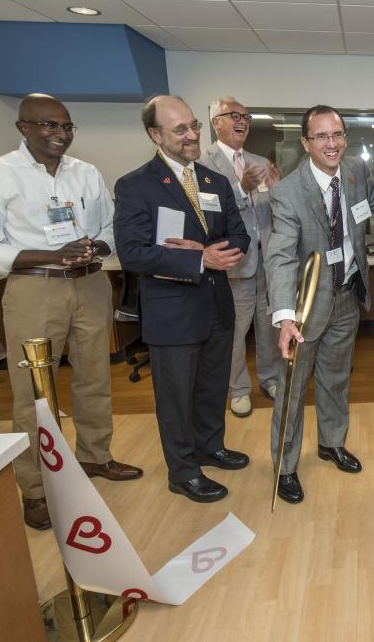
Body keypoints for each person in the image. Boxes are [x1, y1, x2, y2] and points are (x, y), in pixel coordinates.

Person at [0, 93, 142, 530]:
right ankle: (37, 489)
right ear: (23, 127)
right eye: (48, 125)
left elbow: (109, 229)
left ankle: (95, 457)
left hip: (90, 284)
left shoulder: (86, 173)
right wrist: (49, 254)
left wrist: (93, 247)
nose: (59, 134)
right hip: (34, 290)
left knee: (95, 378)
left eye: (65, 127)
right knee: (33, 394)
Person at [114, 95, 251, 504]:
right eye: (180, 130)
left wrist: (218, 250)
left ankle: (211, 447)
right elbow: (133, 253)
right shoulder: (135, 185)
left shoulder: (214, 181)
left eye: (194, 126)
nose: (192, 135)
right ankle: (183, 471)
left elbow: (240, 234)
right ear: (155, 134)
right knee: (175, 397)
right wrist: (197, 256)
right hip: (172, 311)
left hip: (216, 305)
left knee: (212, 386)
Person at [264, 105, 373, 504]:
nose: (332, 143)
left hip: (346, 296)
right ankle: (285, 466)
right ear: (306, 143)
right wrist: (285, 317)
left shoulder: (357, 177)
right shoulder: (288, 192)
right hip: (306, 309)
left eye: (338, 134)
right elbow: (279, 257)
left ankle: (331, 443)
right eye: (322, 136)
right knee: (292, 391)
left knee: (336, 380)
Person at [200, 96, 282, 418]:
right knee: (235, 332)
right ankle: (238, 389)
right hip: (234, 264)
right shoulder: (203, 164)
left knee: (269, 327)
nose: (242, 121)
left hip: (267, 261)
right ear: (215, 121)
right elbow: (208, 214)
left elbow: (270, 211)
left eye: (246, 116)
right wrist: (240, 188)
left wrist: (276, 189)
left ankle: (271, 378)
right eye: (233, 115)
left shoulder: (258, 160)